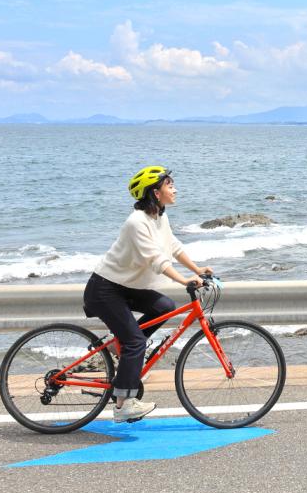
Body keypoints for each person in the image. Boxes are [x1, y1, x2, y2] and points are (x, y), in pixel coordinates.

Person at [83, 166, 212, 422]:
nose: (175, 189)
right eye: (170, 185)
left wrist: (196, 268)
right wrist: (183, 280)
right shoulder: (136, 223)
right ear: (156, 192)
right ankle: (123, 405)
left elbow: (172, 247)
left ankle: (125, 348)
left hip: (126, 287)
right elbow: (155, 259)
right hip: (105, 289)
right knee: (136, 342)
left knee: (165, 306)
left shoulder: (159, 217)